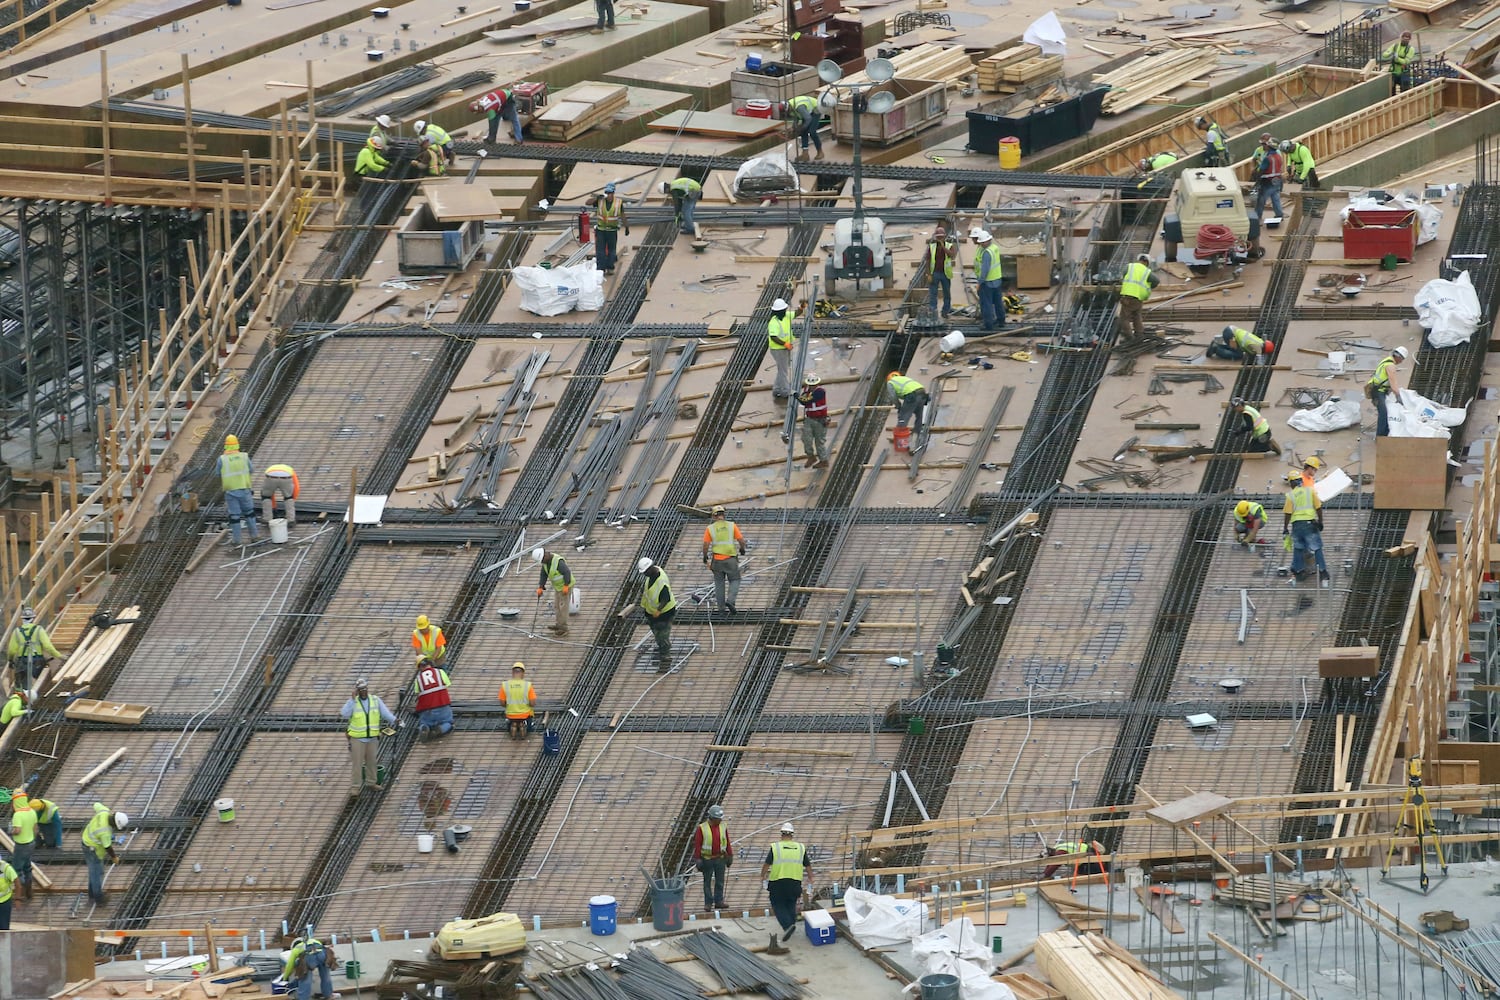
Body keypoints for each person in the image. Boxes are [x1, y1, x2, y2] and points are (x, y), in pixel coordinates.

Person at [341, 679, 395, 797]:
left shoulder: (375, 700)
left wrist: (395, 720)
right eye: (361, 690)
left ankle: (371, 782)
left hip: (372, 738)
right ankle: (355, 787)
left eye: (365, 689)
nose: (364, 691)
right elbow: (344, 713)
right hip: (357, 738)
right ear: (357, 691)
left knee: (372, 761)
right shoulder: (354, 702)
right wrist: (352, 700)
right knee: (357, 763)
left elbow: (385, 713)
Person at [760, 822, 811, 950]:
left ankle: (788, 926)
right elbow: (808, 865)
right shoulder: (800, 848)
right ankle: (792, 924)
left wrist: (762, 876)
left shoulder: (776, 847)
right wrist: (811, 877)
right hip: (795, 882)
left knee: (777, 903)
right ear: (792, 834)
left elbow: (767, 864)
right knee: (790, 902)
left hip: (778, 881)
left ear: (781, 834)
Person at [1283, 470, 1330, 587]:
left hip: (1297, 525)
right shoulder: (1310, 491)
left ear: (1291, 483)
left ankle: (1299, 572)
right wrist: (1320, 522)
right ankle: (1323, 572)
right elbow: (1318, 507)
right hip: (1310, 523)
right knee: (1317, 547)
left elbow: (1288, 514)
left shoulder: (1290, 496)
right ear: (1301, 481)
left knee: (1298, 548)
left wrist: (1285, 528)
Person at [702, 505, 746, 613]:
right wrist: (742, 549)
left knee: (719, 584)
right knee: (735, 580)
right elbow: (741, 540)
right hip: (731, 559)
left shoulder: (710, 528)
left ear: (714, 516)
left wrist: (705, 556)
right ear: (723, 514)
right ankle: (730, 601)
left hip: (717, 561)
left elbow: (706, 544)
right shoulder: (732, 526)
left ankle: (721, 609)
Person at [81, 802, 127, 905]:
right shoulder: (105, 832)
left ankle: (92, 894)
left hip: (86, 840)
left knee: (94, 871)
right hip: (92, 849)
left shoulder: (104, 811)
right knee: (97, 873)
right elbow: (107, 847)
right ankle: (99, 898)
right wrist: (114, 857)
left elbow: (96, 804)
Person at [217, 434, 258, 546]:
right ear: (237, 444)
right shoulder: (244, 456)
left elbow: (217, 473)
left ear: (226, 446)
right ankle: (254, 536)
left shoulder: (222, 459)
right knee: (249, 513)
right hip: (245, 489)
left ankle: (237, 540)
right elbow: (251, 469)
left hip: (231, 491)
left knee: (234, 516)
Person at [692, 804, 733, 911]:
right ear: (712, 818)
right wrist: (697, 858)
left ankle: (719, 901)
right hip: (707, 859)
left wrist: (730, 855)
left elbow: (727, 841)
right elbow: (698, 844)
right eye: (718, 818)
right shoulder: (702, 828)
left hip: (720, 858)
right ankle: (708, 903)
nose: (720, 820)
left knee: (720, 881)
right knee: (707, 882)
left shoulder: (723, 826)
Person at [8, 607, 59, 690]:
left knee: (24, 687)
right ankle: (41, 699)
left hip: (22, 661)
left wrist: (10, 660)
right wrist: (59, 656)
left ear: (22, 619)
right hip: (37, 661)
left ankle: (25, 699)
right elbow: (48, 646)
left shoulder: (16, 631)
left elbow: (11, 650)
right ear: (33, 618)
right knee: (43, 683)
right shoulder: (39, 630)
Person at [637, 558, 677, 665]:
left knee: (662, 635)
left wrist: (659, 611)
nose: (644, 574)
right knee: (656, 632)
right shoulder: (652, 574)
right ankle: (662, 646)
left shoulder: (661, 582)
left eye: (645, 572)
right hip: (651, 611)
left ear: (650, 568)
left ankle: (665, 655)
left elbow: (666, 598)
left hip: (665, 612)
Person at [1367, 346, 1408, 438]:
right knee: (1384, 414)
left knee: (1385, 412)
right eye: (1401, 360)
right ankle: (1381, 437)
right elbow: (1393, 383)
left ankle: (1385, 434)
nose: (1401, 362)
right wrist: (1398, 396)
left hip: (1377, 390)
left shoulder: (1386, 360)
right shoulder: (1391, 366)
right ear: (1399, 357)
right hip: (1378, 392)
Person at [532, 547, 574, 637]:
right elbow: (543, 574)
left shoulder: (558, 562)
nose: (542, 562)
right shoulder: (546, 563)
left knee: (563, 607)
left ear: (545, 555)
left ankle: (564, 628)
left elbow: (567, 572)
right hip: (558, 587)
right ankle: (559, 625)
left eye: (542, 560)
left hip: (566, 586)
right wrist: (541, 586)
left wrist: (566, 585)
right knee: (557, 606)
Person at [1117, 253, 1158, 341]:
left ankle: (1129, 337)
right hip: (1139, 298)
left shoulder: (1129, 266)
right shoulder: (1147, 271)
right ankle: (1139, 334)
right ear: (1147, 263)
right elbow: (1156, 281)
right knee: (1137, 315)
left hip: (1128, 296)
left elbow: (1122, 275)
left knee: (1123, 318)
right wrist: (1149, 287)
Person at [970, 229, 1004, 331]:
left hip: (987, 282)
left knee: (986, 304)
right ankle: (1001, 321)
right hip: (997, 280)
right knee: (998, 302)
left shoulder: (986, 253)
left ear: (987, 241)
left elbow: (984, 270)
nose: (981, 244)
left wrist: (979, 283)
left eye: (982, 242)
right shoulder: (994, 248)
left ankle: (988, 325)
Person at [413, 656, 453, 742]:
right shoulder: (440, 672)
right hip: (442, 704)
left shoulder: (418, 679)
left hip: (426, 708)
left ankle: (424, 728)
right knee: (448, 722)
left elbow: (417, 692)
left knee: (425, 722)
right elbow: (447, 684)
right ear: (430, 663)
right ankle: (439, 730)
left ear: (419, 667)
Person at [283, 936, 335, 1000]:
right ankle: (329, 995)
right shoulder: (313, 940)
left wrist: (285, 977)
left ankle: (303, 998)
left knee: (305, 979)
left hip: (309, 958)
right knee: (326, 976)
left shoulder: (296, 949)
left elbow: (289, 965)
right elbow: (320, 948)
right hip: (323, 955)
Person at [593, 181, 629, 275]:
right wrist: (596, 198)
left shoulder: (618, 203)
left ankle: (610, 267)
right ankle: (601, 269)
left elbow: (623, 215)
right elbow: (587, 203)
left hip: (612, 231)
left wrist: (626, 227)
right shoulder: (600, 200)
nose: (608, 195)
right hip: (601, 230)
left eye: (610, 193)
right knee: (600, 250)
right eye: (607, 193)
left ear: (613, 193)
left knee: (611, 250)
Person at [796, 373, 830, 469]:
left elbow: (805, 401)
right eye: (810, 385)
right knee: (806, 439)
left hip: (820, 420)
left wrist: (795, 395)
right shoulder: (806, 391)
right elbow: (804, 398)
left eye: (813, 385)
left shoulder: (820, 392)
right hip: (809, 419)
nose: (812, 387)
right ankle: (811, 457)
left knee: (819, 442)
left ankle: (823, 461)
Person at [923, 227, 956, 318]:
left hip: (946, 274)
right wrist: (928, 274)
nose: (940, 239)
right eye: (938, 237)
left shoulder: (949, 245)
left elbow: (951, 255)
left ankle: (945, 312)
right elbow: (928, 261)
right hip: (935, 273)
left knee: (947, 294)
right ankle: (933, 312)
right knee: (933, 293)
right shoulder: (932, 247)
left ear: (944, 237)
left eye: (941, 237)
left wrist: (943, 246)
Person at [767, 297, 797, 398]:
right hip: (778, 349)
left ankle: (777, 388)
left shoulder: (786, 316)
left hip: (785, 348)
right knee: (783, 370)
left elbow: (796, 314)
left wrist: (802, 307)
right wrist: (785, 344)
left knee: (782, 369)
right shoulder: (773, 322)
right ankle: (785, 390)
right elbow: (774, 337)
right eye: (783, 310)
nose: (785, 312)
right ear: (778, 312)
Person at [498, 662, 535, 739]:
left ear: (513, 672)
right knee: (528, 716)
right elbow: (532, 703)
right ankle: (523, 732)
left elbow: (502, 703)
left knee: (513, 721)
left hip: (510, 714)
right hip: (524, 714)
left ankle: (513, 733)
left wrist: (509, 706)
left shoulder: (505, 685)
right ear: (523, 673)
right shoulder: (528, 685)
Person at [9, 790, 34, 902]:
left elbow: (17, 830)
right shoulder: (32, 811)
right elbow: (35, 828)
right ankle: (29, 891)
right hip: (31, 843)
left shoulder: (18, 815)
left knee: (17, 869)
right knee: (27, 867)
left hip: (21, 845)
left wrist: (11, 831)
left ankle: (21, 893)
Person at [887, 371, 929, 436]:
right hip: (922, 392)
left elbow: (893, 397)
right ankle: (917, 433)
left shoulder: (890, 383)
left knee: (903, 416)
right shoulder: (904, 378)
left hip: (912, 395)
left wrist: (898, 406)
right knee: (919, 415)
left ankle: (900, 436)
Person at [783, 95, 822, 162]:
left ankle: (820, 152)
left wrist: (801, 128)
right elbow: (796, 118)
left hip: (815, 109)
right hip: (807, 112)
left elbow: (808, 119)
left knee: (812, 132)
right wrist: (793, 128)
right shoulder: (790, 108)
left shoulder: (799, 107)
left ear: (789, 107)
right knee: (803, 132)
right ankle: (805, 154)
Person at [1254, 139, 1285, 221]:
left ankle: (1257, 217)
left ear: (1269, 147)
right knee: (1276, 199)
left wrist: (1257, 182)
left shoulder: (1267, 158)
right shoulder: (1279, 157)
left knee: (1261, 200)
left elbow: (1261, 170)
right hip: (1277, 181)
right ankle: (1279, 215)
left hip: (1267, 183)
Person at [1042, 840, 1107, 879]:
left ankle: (1101, 874)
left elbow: (1055, 864)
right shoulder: (1057, 849)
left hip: (1088, 855)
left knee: (1096, 869)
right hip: (1083, 857)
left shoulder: (1060, 852)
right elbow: (1051, 863)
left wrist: (1045, 875)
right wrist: (1044, 873)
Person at [261, 462, 299, 527]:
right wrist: (292, 497)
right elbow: (296, 487)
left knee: (266, 497)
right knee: (288, 498)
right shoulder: (290, 470)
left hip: (270, 477)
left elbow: (270, 495)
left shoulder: (271, 468)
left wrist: (274, 507)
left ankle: (267, 519)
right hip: (286, 478)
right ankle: (291, 520)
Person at [1208, 325, 1274, 362]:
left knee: (1236, 349)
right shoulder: (1255, 346)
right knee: (1238, 355)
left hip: (1231, 330)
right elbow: (1257, 357)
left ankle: (1217, 345)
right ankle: (1216, 349)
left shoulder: (1260, 341)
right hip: (1230, 335)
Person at [0, 855, 16, 930]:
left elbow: (17, 883)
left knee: (3, 927)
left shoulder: (6, 868)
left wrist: (18, 899)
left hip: (4, 900)